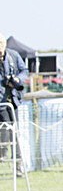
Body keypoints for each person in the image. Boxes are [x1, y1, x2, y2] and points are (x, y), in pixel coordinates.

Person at [0, 33, 29, 177]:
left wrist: (17, 79)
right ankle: (2, 152)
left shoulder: (13, 56)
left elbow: (25, 71)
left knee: (15, 133)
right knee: (4, 130)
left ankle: (18, 166)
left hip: (12, 101)